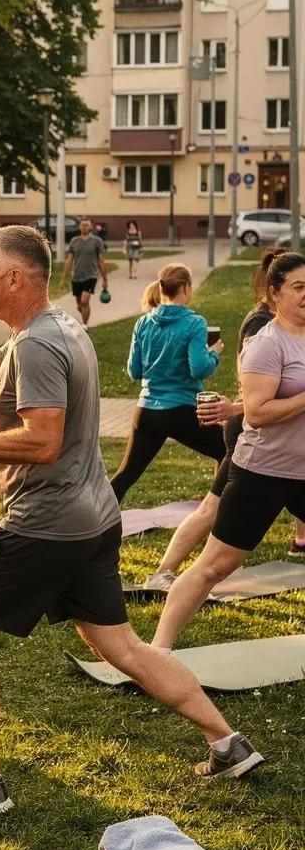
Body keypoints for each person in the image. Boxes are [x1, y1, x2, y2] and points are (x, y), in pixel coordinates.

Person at [0, 225, 262, 806]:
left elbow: (41, 442)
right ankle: (227, 741)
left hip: (46, 522)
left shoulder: (35, 344)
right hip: (93, 519)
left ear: (14, 277)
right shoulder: (50, 327)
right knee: (124, 647)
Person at [153, 250, 305, 656]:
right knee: (215, 566)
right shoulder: (265, 343)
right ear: (274, 294)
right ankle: (159, 650)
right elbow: (257, 412)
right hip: (264, 473)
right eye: (299, 287)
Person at [109, 264, 225, 505]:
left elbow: (134, 371)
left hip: (147, 412)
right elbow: (200, 368)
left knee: (126, 475)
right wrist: (213, 352)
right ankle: (216, 513)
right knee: (229, 450)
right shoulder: (194, 323)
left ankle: (94, 524)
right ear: (185, 287)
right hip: (182, 409)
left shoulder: (143, 323)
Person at [62, 217, 108, 326]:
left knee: (84, 301)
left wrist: (105, 279)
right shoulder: (74, 241)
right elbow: (69, 260)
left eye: (86, 225)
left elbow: (101, 261)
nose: (84, 227)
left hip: (91, 275)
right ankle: (83, 319)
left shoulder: (97, 241)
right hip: (77, 276)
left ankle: (85, 325)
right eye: (82, 225)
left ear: (91, 226)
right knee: (79, 304)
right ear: (79, 226)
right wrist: (64, 278)